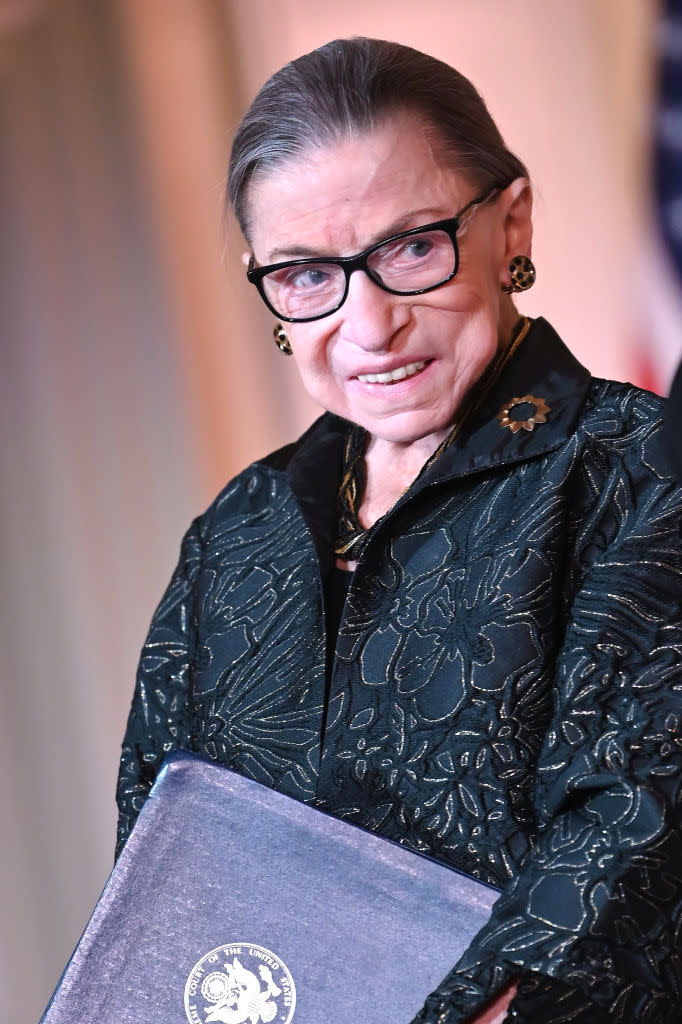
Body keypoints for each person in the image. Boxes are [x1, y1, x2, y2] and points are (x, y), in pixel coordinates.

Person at [115, 37, 682, 1024]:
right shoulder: (234, 535)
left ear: (511, 221)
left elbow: (627, 839)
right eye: (304, 274)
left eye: (412, 247)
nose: (368, 324)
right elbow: (165, 854)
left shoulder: (635, 469)